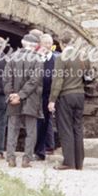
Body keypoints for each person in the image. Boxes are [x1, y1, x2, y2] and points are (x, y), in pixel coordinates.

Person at [48, 34, 89, 170]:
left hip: (66, 95)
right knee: (77, 128)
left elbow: (58, 80)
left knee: (65, 128)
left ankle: (68, 162)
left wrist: (52, 99)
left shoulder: (61, 58)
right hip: (80, 95)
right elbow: (89, 75)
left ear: (61, 43)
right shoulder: (83, 57)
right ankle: (79, 162)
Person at [4, 33, 44, 167]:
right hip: (31, 99)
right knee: (31, 131)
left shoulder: (11, 57)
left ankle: (10, 158)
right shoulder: (38, 59)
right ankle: (27, 159)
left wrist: (12, 95)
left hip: (13, 99)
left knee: (12, 129)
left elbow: (6, 79)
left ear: (22, 42)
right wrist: (21, 95)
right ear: (35, 46)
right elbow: (35, 80)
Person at [34, 32, 57, 160]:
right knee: (36, 123)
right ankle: (37, 149)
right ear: (40, 44)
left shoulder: (55, 59)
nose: (48, 45)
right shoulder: (35, 58)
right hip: (35, 95)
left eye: (49, 43)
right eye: (45, 43)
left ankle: (41, 150)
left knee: (45, 122)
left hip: (48, 96)